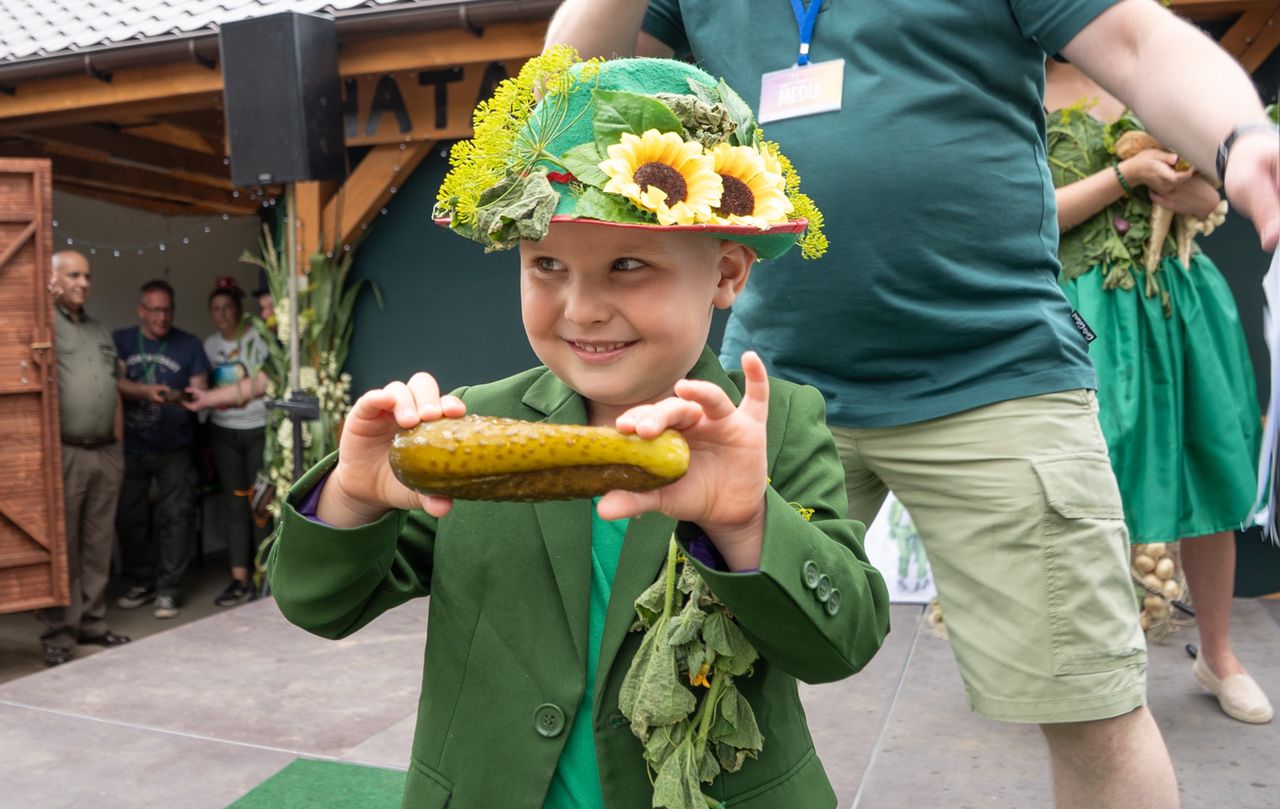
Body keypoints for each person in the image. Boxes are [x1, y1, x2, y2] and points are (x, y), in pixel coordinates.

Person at [545, 0, 1279, 805]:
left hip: (997, 377)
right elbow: (567, 94)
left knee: (1090, 710)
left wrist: (1240, 138)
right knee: (680, 684)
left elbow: (1138, 42)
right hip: (768, 387)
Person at [268, 54, 891, 808]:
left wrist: (747, 521)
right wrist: (353, 497)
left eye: (627, 264)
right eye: (546, 265)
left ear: (727, 273)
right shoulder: (472, 424)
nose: (581, 307)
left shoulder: (780, 425)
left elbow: (842, 639)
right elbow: (319, 603)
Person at [1045, 60, 1272, 724]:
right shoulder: (1018, 85)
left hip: (1181, 300)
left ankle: (1220, 656)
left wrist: (1185, 191)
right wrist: (1128, 176)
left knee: (1210, 466)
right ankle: (1096, 664)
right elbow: (1025, 215)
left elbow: (1211, 203)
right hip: (1086, 310)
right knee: (1089, 486)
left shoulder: (1150, 77)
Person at [36, 251, 130, 667]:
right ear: (54, 279)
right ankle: (62, 632)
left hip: (105, 453)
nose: (83, 282)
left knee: (98, 543)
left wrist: (118, 449)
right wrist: (39, 298)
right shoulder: (43, 324)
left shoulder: (99, 330)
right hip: (67, 453)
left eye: (87, 275)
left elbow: (114, 391)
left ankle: (93, 622)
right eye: (73, 275)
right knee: (66, 547)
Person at [113, 279, 211, 619]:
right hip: (132, 446)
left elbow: (199, 390)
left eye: (167, 309)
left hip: (175, 447)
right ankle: (142, 580)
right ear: (141, 310)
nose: (162, 316)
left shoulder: (189, 345)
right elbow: (116, 383)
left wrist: (179, 396)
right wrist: (145, 392)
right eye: (155, 309)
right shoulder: (122, 340)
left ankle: (168, 589)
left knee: (176, 518)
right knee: (129, 518)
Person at [182, 277, 271, 606]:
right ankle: (239, 579)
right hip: (224, 434)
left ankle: (265, 576)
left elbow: (261, 384)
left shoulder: (259, 340)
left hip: (258, 430)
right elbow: (204, 391)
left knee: (260, 504)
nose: (222, 315)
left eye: (228, 308)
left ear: (238, 311)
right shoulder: (208, 347)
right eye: (216, 309)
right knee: (235, 505)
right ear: (210, 313)